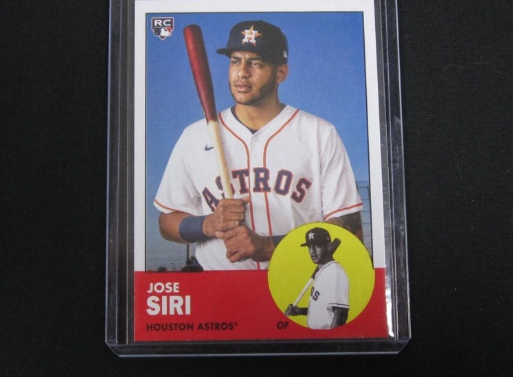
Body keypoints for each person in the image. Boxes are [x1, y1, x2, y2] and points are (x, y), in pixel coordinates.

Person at [154, 20, 363, 270]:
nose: (242, 72)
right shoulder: (195, 136)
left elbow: (350, 227)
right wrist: (207, 224)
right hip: (219, 284)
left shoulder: (319, 134)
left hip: (295, 280)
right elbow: (167, 222)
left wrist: (270, 246)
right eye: (235, 61)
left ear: (281, 73)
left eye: (256, 63)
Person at [284, 227, 349, 329]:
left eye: (317, 246)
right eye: (310, 247)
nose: (312, 251)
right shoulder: (323, 271)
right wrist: (300, 311)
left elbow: (341, 312)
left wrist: (333, 336)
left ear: (329, 246)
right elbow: (324, 309)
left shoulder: (334, 273)